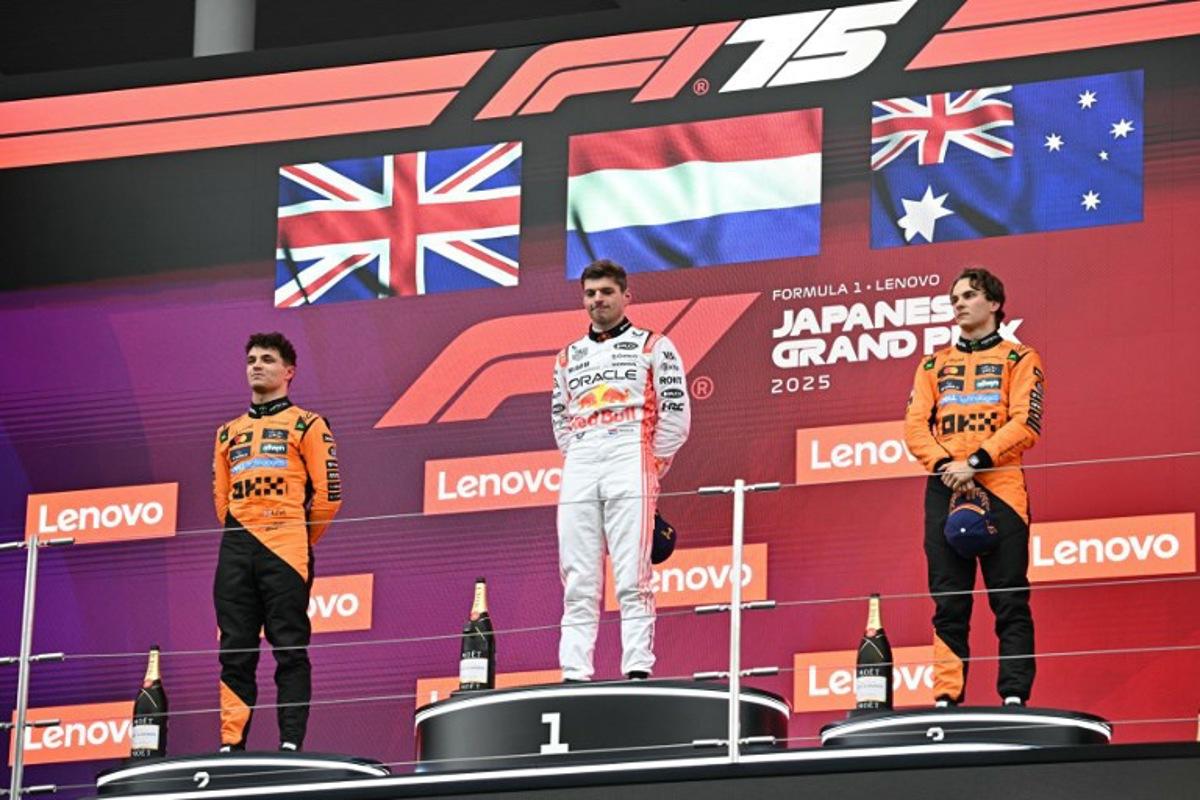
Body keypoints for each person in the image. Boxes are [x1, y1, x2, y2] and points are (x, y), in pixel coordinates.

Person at [903, 268, 1044, 707]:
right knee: (948, 601)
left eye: (969, 295)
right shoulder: (932, 364)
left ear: (995, 304)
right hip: (945, 485)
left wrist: (977, 461)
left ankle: (1015, 697)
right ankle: (946, 697)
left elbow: (1027, 423)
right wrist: (947, 463)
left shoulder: (1020, 359)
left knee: (1009, 598)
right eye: (955, 297)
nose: (959, 303)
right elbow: (914, 427)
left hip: (1001, 485)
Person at [552, 260, 691, 681]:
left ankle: (637, 668)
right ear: (583, 300)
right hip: (580, 456)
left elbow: (677, 415)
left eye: (606, 292)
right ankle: (574, 671)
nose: (598, 300)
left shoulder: (654, 345)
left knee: (633, 574)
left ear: (626, 296)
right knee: (577, 576)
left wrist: (652, 464)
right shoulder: (567, 356)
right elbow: (560, 418)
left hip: (631, 451)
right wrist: (580, 452)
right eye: (591, 294)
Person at [212, 332, 342, 751]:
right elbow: (221, 499)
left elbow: (329, 496)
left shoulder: (308, 423)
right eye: (251, 358)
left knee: (289, 646)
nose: (256, 365)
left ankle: (290, 743)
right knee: (234, 649)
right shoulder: (225, 433)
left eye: (267, 359)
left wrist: (298, 538)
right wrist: (246, 528)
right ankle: (231, 745)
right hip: (236, 545)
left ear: (289, 372)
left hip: (286, 545)